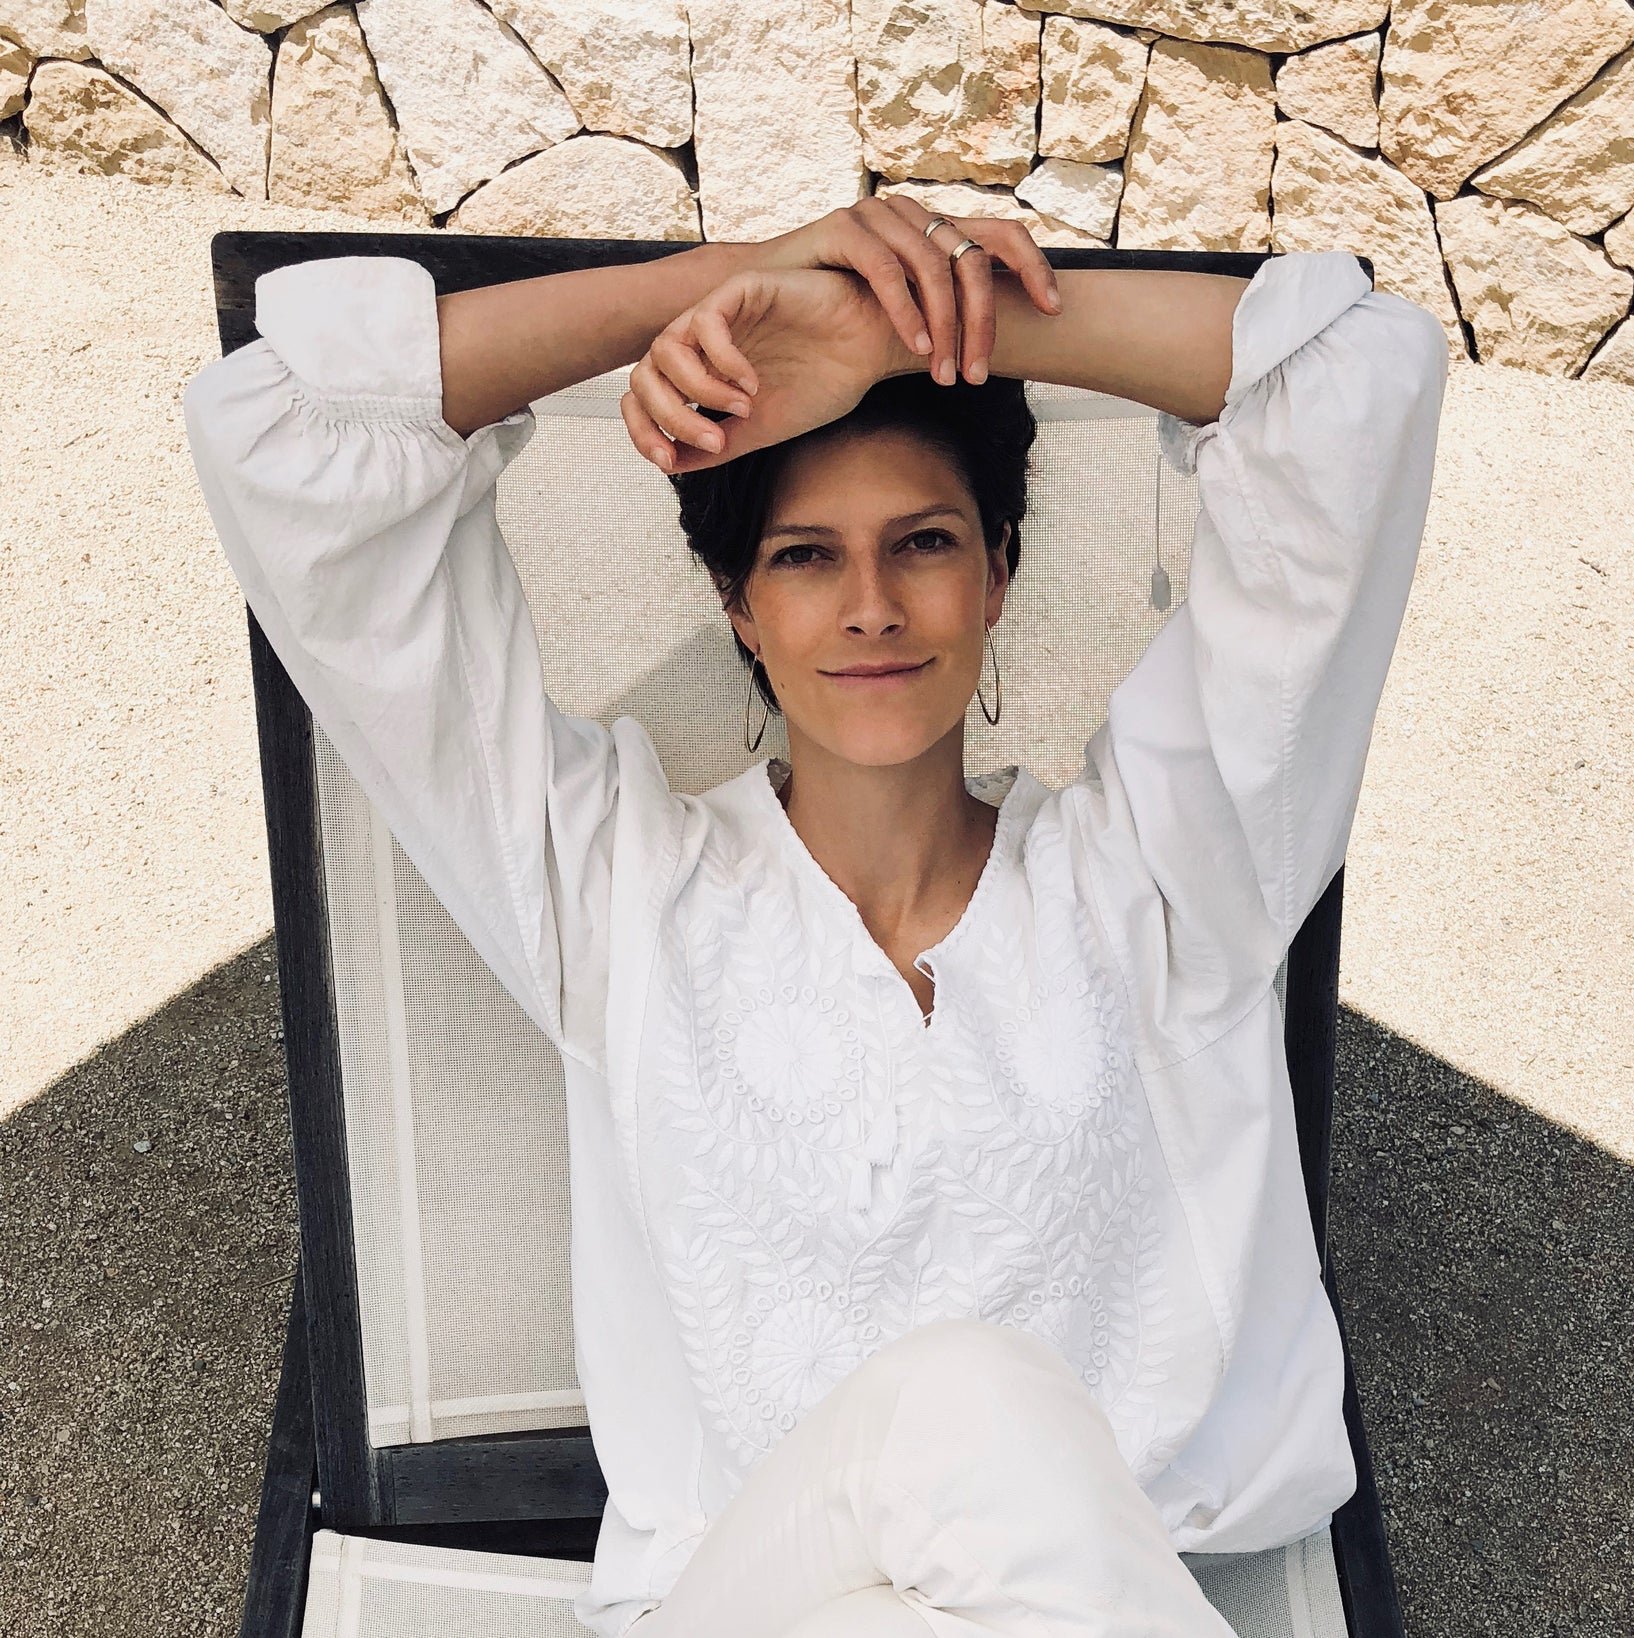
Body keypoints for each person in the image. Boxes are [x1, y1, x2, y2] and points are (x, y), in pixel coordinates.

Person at [180, 200, 1449, 1637]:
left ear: (997, 572)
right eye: (802, 556)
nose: (869, 606)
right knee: (959, 1402)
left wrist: (920, 328)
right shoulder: (619, 897)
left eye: (923, 542)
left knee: (974, 1410)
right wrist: (738, 288)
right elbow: (287, 428)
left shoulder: (1157, 885)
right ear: (736, 600)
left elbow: (1360, 384)